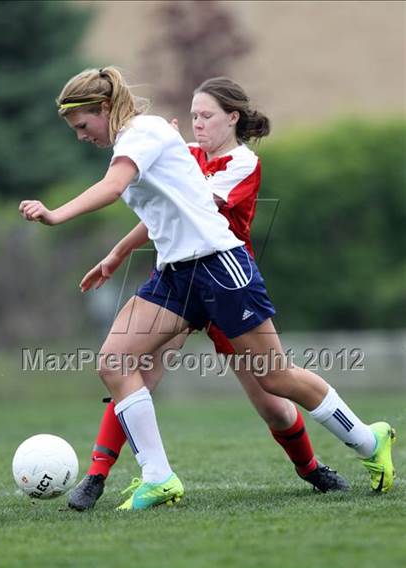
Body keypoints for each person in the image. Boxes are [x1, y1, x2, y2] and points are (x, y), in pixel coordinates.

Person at [20, 67, 396, 511]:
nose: (81, 136)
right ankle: (159, 478)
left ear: (104, 109)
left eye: (83, 125)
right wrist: (118, 254)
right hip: (177, 275)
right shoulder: (139, 140)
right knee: (116, 361)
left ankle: (368, 440)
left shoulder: (142, 134)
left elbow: (114, 186)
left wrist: (56, 214)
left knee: (276, 378)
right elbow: (167, 206)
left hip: (220, 267)